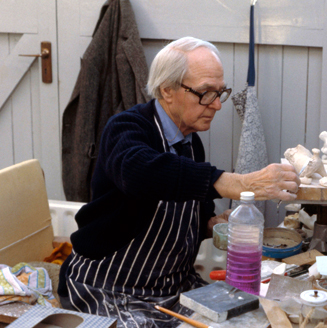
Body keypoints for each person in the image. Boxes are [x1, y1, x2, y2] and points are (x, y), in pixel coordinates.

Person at [58, 36, 300, 328]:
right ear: (167, 90)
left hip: (172, 288)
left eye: (219, 92)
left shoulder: (191, 144)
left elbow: (183, 217)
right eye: (205, 93)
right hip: (112, 286)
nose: (217, 105)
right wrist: (233, 182)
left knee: (250, 318)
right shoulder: (126, 128)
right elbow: (139, 172)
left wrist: (214, 224)